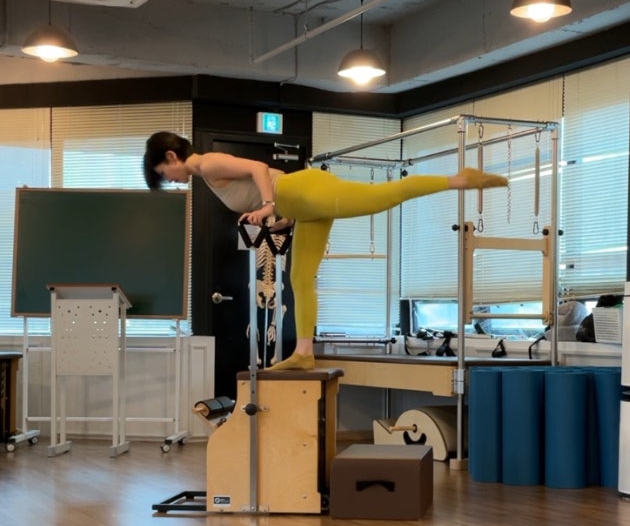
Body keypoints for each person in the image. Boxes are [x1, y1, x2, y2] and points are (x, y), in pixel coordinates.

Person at [143, 131, 508, 371]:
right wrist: (284, 217)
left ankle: (459, 179)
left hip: (304, 192)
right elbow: (272, 177)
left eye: (163, 173)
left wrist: (269, 206)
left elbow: (258, 168)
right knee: (300, 278)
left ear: (172, 156)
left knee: (381, 196)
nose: (169, 180)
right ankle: (303, 353)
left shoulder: (205, 163)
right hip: (300, 204)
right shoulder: (205, 172)